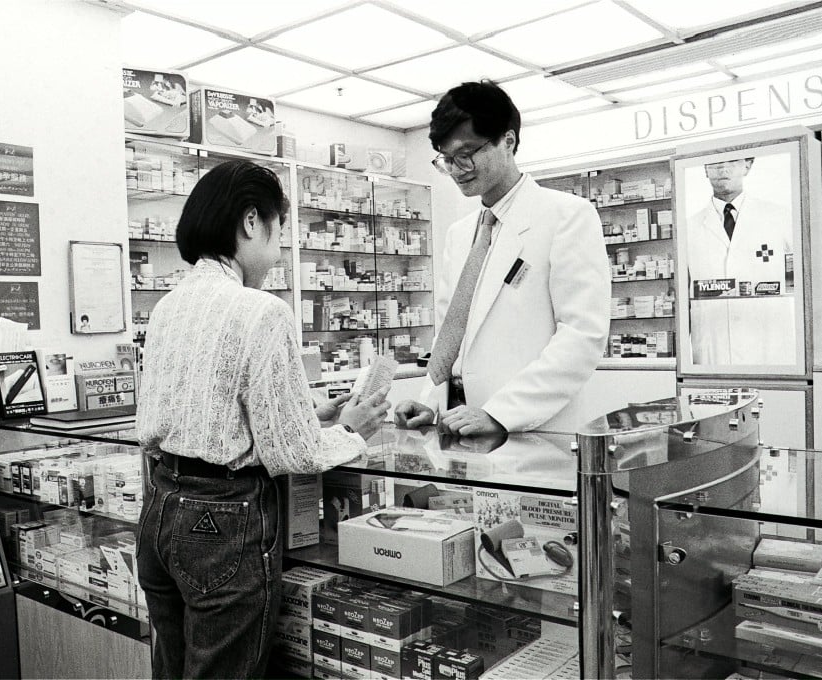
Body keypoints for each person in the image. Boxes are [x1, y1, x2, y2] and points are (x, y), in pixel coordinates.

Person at [135, 159, 390, 679]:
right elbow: (291, 454)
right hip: (223, 524)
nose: (277, 254)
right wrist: (350, 431)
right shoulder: (261, 310)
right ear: (252, 221)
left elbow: (200, 409)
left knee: (172, 667)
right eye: (278, 232)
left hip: (161, 510)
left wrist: (306, 413)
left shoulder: (167, 307)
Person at [395, 80, 610, 435]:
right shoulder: (460, 234)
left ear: (507, 141)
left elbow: (582, 335)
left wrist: (500, 413)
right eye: (446, 159)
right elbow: (451, 336)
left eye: (466, 154)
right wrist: (431, 402)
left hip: (532, 431)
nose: (456, 168)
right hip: (458, 425)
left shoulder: (567, 216)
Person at [685, 156, 795, 365]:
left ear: (748, 165)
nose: (723, 168)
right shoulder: (688, 227)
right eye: (715, 162)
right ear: (705, 169)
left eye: (732, 161)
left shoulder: (778, 216)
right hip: (714, 351)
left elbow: (803, 277)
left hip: (768, 347)